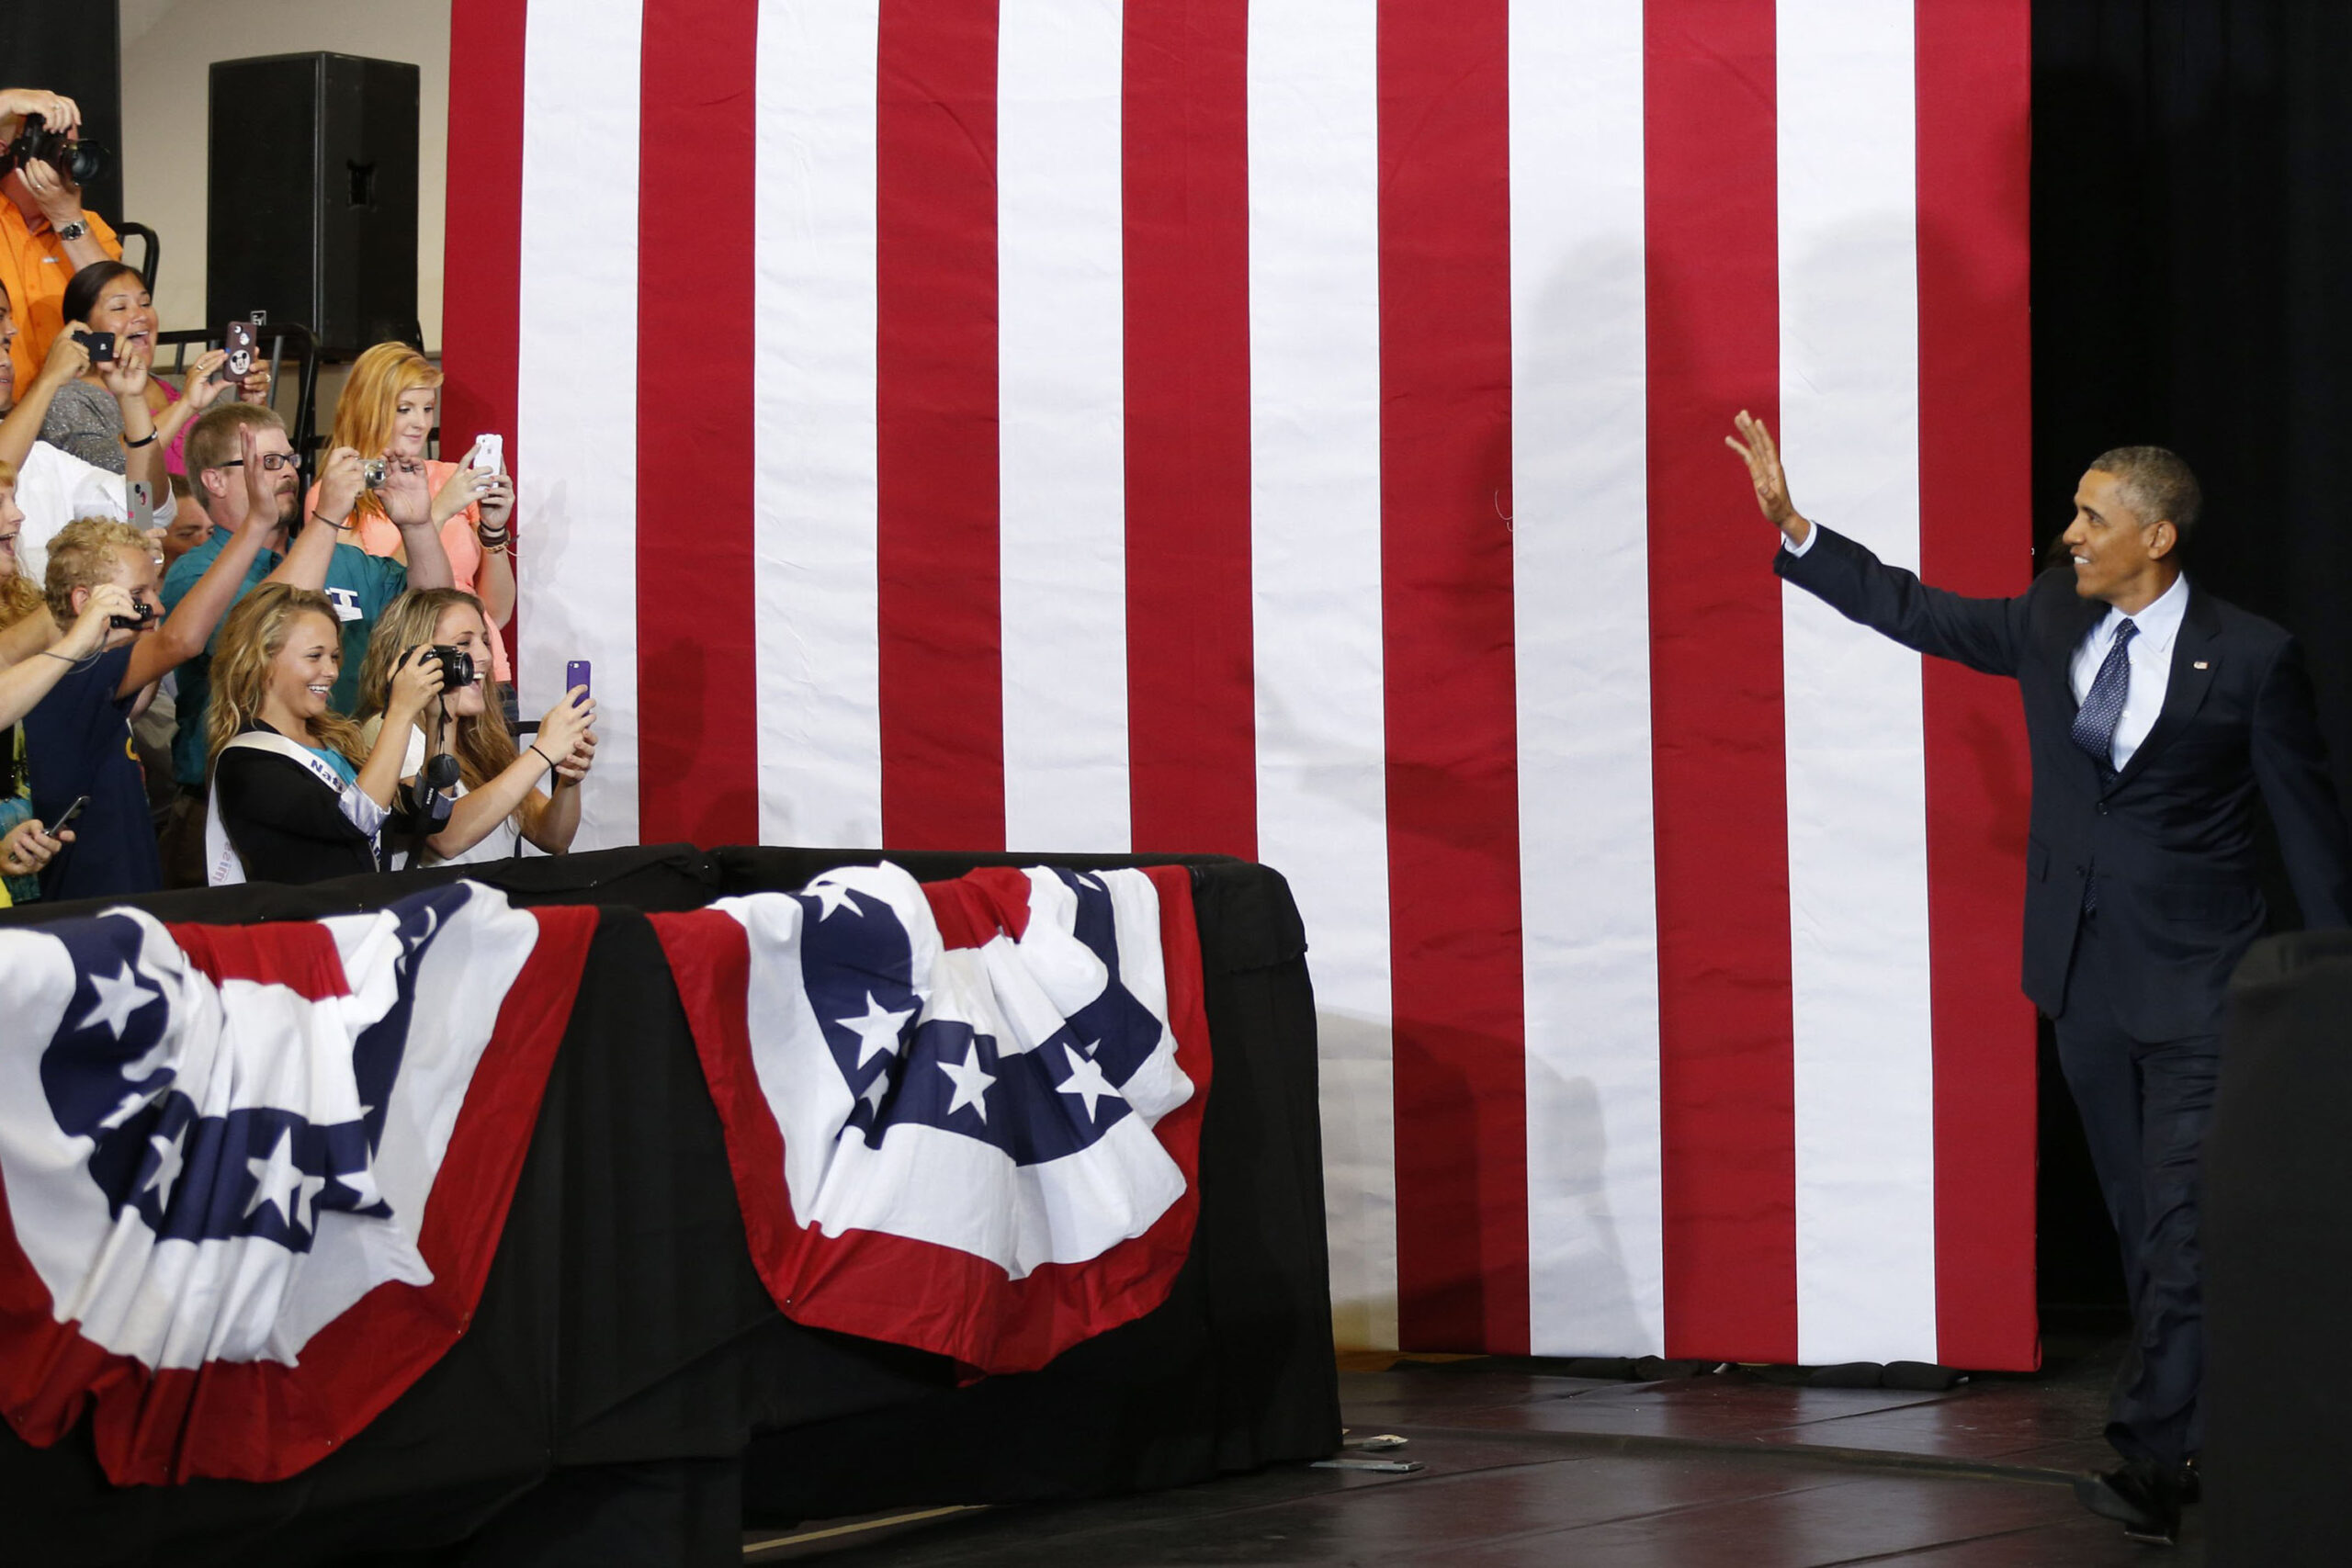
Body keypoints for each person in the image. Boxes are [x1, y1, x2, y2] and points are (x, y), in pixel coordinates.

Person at [1726, 412, 2352, 1546]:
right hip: (2080, 983)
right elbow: (1919, 612)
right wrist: (1798, 530)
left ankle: (2154, 1461)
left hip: (2201, 987)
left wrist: (2339, 975)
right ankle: (2209, 1421)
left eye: (2091, 518)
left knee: (2179, 1227)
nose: (2068, 534)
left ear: (2156, 537)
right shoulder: (2051, 615)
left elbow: (2307, 829)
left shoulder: (2251, 658)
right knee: (2136, 1222)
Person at [156, 404, 457, 885]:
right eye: (268, 462)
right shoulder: (197, 570)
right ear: (213, 480)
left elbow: (434, 613)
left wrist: (418, 524)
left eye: (291, 460)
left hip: (350, 777)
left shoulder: (345, 557)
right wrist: (329, 517)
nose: (290, 474)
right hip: (235, 808)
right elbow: (258, 628)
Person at [0, 494, 277, 900]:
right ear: (84, 602)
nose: (157, 606)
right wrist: (255, 525)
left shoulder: (79, 675)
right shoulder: (75, 675)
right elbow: (181, 642)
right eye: (138, 594)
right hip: (91, 914)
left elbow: (145, 689)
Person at [204, 582, 444, 886]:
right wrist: (400, 712)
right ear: (261, 661)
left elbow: (427, 817)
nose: (331, 671)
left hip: (364, 919)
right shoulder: (246, 761)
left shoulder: (335, 743)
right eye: (314, 656)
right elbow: (355, 820)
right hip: (311, 926)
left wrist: (440, 723)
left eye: (334, 656)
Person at [306, 341, 513, 683]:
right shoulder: (337, 492)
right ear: (368, 408)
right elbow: (368, 602)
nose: (421, 422)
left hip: (484, 672)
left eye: (428, 408)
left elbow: (497, 612)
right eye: (405, 409)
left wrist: (493, 531)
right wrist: (439, 510)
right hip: (406, 676)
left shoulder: (449, 477)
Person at [356, 588, 594, 867]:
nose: (485, 656)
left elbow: (552, 837)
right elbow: (445, 837)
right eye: (464, 644)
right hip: (432, 907)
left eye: (485, 641)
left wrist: (568, 780)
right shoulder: (390, 729)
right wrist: (541, 752)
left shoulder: (483, 739)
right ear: (416, 655)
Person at [0, 278, 182, 573]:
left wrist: (131, 399)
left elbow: (144, 511)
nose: (13, 331)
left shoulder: (44, 458)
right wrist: (49, 380)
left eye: (6, 348)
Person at [40, 262, 255, 478]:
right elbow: (107, 470)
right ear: (82, 330)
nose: (140, 315)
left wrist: (253, 404)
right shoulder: (67, 399)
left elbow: (245, 462)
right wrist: (186, 405)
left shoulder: (181, 385)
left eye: (145, 303)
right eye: (119, 308)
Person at [0, 88, 119, 395]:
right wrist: (8, 101)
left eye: (71, 145)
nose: (67, 155)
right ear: (9, 150)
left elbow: (118, 308)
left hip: (77, 410)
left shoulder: (89, 225)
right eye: (52, 143)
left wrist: (67, 219)